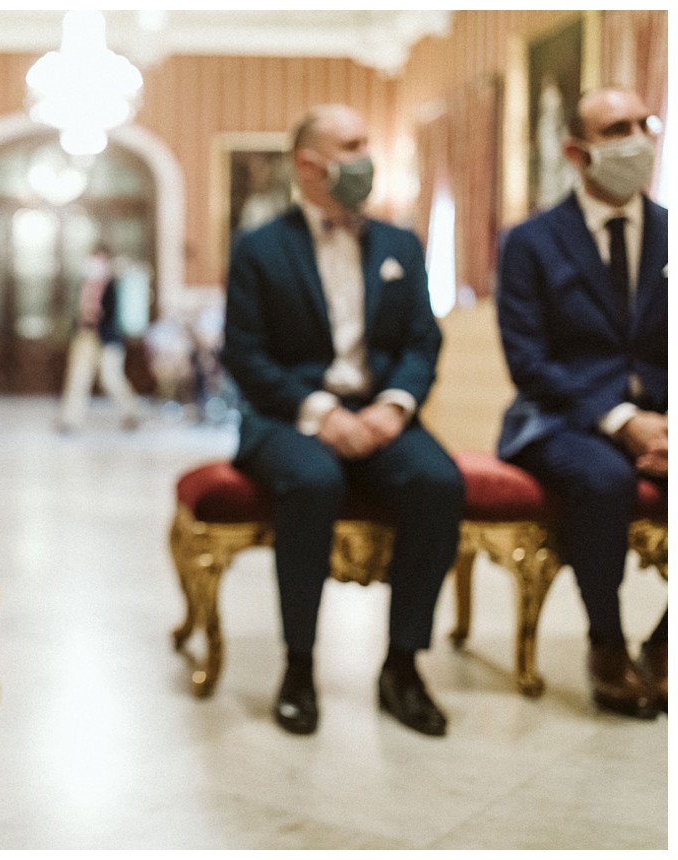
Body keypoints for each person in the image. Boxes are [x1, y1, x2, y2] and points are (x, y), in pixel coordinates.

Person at [222, 104, 464, 737]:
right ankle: (299, 666)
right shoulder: (259, 248)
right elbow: (245, 355)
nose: (367, 157)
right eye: (353, 145)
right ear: (310, 165)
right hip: (286, 415)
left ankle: (403, 665)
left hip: (382, 413)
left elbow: (421, 342)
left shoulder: (400, 245)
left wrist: (392, 409)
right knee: (312, 482)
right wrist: (321, 412)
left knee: (438, 482)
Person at [496, 87, 667, 719]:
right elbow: (528, 362)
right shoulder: (531, 241)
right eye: (615, 127)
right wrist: (624, 422)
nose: (637, 139)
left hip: (663, 419)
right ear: (576, 150)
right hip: (558, 417)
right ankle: (607, 643)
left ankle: (666, 644)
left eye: (643, 123)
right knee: (604, 478)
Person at [57, 244, 142, 432]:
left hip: (106, 339)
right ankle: (70, 419)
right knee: (78, 377)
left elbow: (115, 315)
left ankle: (131, 412)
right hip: (84, 335)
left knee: (110, 377)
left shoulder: (113, 286)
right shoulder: (84, 284)